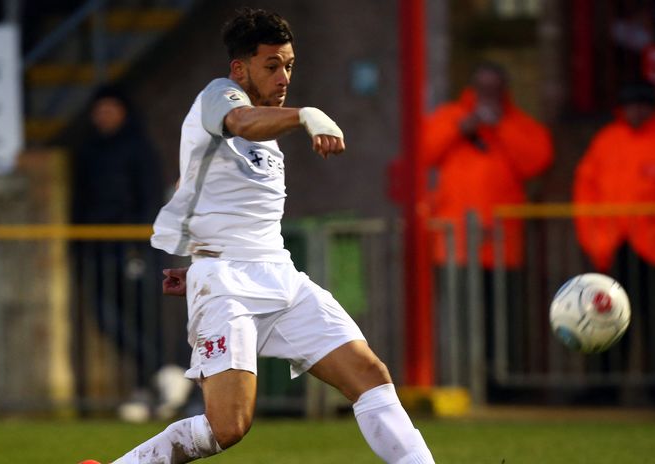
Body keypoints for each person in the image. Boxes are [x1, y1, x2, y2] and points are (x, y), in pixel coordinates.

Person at [82, 8, 434, 464]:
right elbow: (243, 122)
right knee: (226, 428)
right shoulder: (219, 97)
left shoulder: (267, 132)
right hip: (228, 288)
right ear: (239, 68)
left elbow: (215, 199)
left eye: (289, 65)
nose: (283, 76)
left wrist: (199, 263)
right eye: (271, 66)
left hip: (279, 278)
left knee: (369, 374)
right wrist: (306, 115)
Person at [421, 62, 553, 384]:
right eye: (483, 88)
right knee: (461, 319)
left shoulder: (519, 124)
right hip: (456, 244)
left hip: (502, 244)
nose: (488, 95)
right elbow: (423, 151)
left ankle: (499, 384)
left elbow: (537, 162)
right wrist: (460, 129)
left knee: (503, 320)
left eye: (494, 89)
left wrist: (500, 128)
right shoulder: (449, 117)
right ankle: (462, 380)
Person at [71, 84, 164, 400]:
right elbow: (79, 201)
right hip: (98, 249)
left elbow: (150, 198)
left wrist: (141, 242)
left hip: (134, 248)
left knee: (144, 316)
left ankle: (152, 385)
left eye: (110, 109)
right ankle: (159, 372)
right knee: (104, 316)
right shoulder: (87, 151)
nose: (104, 116)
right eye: (99, 110)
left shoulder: (139, 148)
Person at [573, 81, 655, 382]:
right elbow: (586, 189)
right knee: (604, 318)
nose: (636, 111)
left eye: (642, 105)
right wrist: (593, 239)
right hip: (612, 245)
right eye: (630, 106)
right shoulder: (607, 140)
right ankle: (603, 384)